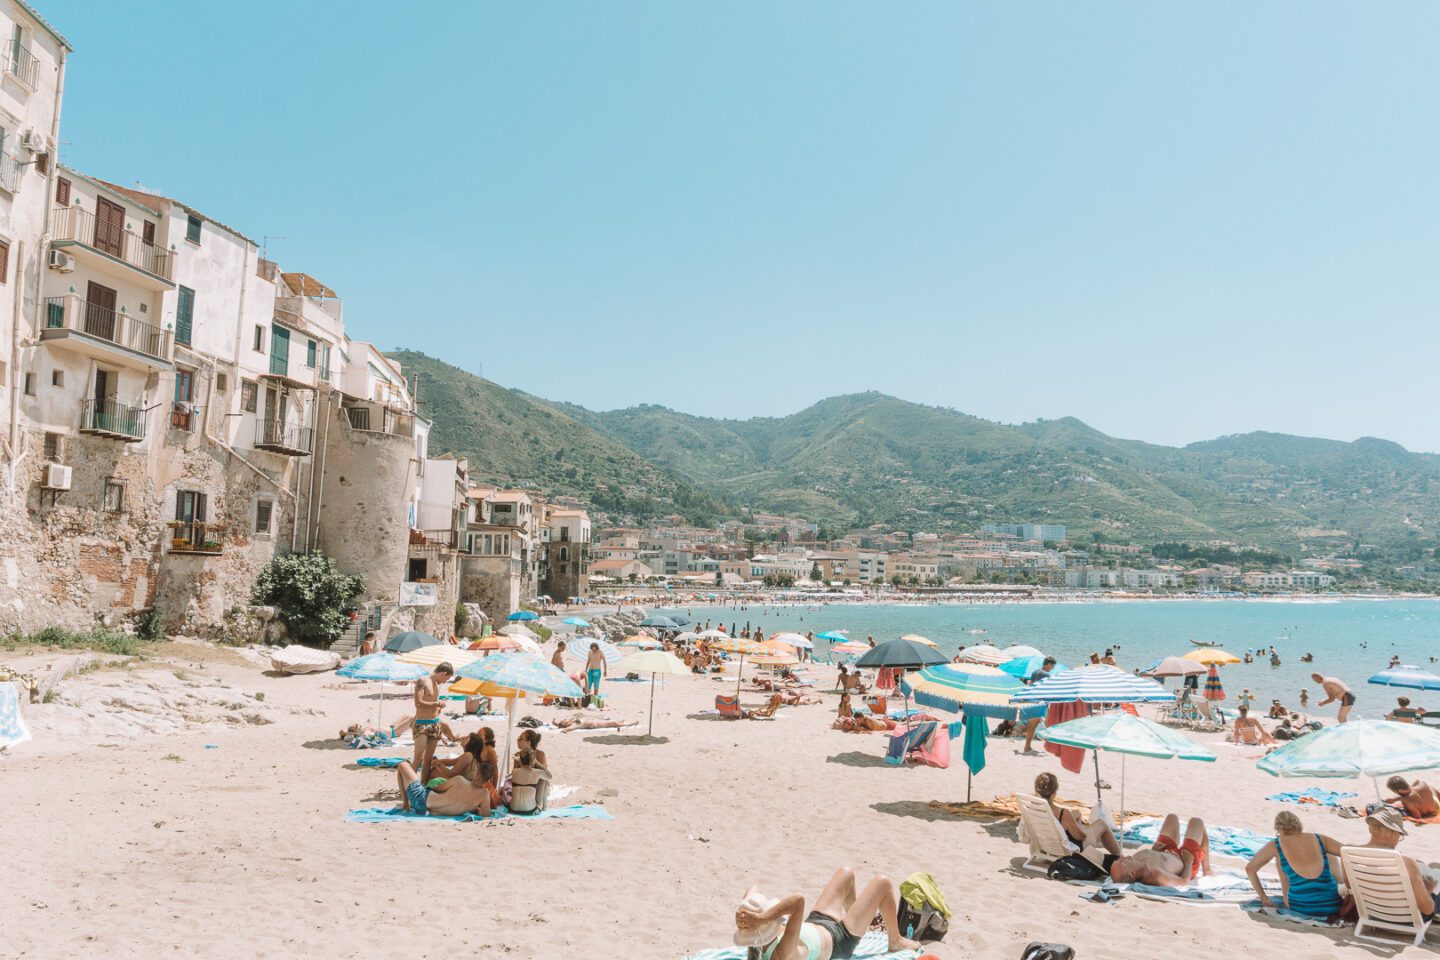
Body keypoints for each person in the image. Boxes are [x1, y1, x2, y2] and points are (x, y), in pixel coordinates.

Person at [732, 868, 919, 960]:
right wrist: (761, 918)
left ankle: (862, 923)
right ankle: (895, 940)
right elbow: (798, 900)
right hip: (840, 940)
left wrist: (743, 914)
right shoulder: (781, 954)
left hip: (818, 923)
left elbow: (752, 889)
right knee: (883, 883)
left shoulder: (758, 947)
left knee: (846, 874)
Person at [1245, 811, 1343, 919]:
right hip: (1333, 906)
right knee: (1327, 854)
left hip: (1302, 908)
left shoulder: (1276, 844)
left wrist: (1264, 898)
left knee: (1281, 859)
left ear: (1280, 829)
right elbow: (1349, 852)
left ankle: (1287, 900)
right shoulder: (1320, 839)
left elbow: (1250, 869)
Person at [1355, 805, 1440, 921]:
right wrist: (1428, 890)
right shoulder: (1406, 862)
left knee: (1431, 867)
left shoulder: (1351, 853)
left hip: (1374, 915)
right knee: (1436, 873)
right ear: (1394, 834)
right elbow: (1427, 909)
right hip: (1407, 921)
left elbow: (1350, 886)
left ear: (1370, 828)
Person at [1034, 772, 1120, 860]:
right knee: (1101, 824)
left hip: (1047, 844)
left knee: (1077, 813)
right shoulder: (1063, 813)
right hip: (1070, 849)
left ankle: (1081, 826)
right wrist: (1083, 829)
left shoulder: (1031, 808)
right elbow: (1081, 837)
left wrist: (1075, 821)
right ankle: (1119, 855)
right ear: (1053, 794)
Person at [1108, 814, 1211, 887]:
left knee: (1172, 817)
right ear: (1132, 873)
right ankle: (1207, 869)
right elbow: (1183, 882)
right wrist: (1188, 862)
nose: (1122, 858)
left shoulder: (1134, 861)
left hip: (1164, 850)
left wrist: (1154, 851)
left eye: (1118, 860)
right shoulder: (1156, 875)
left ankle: (1179, 844)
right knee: (1197, 821)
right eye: (1122, 862)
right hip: (1185, 860)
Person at [395, 759, 492, 818]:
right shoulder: (484, 795)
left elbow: (437, 788)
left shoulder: (460, 780)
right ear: (487, 780)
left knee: (403, 765)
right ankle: (407, 805)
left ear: (477, 773)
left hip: (421, 798)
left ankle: (405, 805)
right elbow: (486, 815)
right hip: (428, 811)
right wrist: (474, 809)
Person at [412, 663, 454, 780]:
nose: (446, 681)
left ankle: (423, 785)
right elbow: (418, 703)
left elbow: (430, 703)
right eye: (447, 678)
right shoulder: (422, 681)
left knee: (428, 759)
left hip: (434, 723)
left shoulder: (436, 684)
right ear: (443, 673)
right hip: (421, 723)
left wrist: (438, 707)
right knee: (418, 757)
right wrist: (436, 703)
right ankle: (408, 785)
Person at [508, 748, 552, 814]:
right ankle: (544, 808)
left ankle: (544, 808)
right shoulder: (537, 772)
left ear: (521, 760)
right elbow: (550, 776)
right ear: (532, 760)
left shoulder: (514, 772)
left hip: (514, 809)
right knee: (543, 780)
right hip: (530, 811)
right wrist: (537, 763)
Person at [555, 713, 639, 733]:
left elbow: (559, 724)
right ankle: (630, 724)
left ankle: (621, 722)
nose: (564, 719)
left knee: (611, 722)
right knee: (613, 723)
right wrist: (564, 729)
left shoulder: (571, 721)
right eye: (563, 720)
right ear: (565, 724)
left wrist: (554, 722)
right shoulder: (574, 724)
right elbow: (569, 729)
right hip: (595, 725)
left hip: (594, 721)